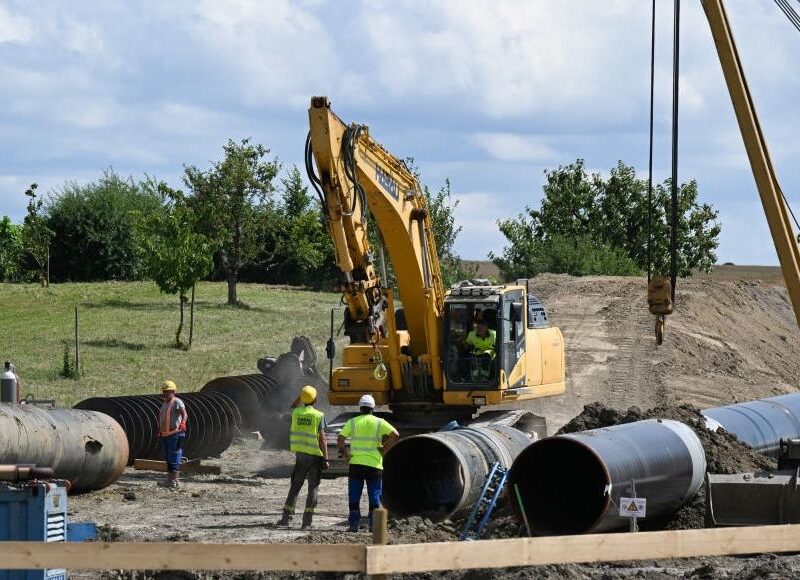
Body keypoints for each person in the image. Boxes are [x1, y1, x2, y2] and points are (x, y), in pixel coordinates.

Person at [337, 394, 399, 532]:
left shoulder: (352, 422)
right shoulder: (379, 422)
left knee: (354, 496)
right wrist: (385, 449)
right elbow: (395, 435)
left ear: (360, 407)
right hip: (374, 465)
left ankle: (353, 525)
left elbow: (340, 438)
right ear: (373, 408)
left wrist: (346, 454)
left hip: (356, 464)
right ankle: (374, 526)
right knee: (374, 496)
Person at [277, 385, 329, 530]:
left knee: (295, 486)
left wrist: (300, 397)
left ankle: (286, 519)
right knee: (313, 488)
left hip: (301, 456)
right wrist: (326, 458)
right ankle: (306, 523)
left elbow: (291, 407)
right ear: (316, 400)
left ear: (303, 399)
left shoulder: (296, 413)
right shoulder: (319, 415)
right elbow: (322, 439)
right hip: (315, 457)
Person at [157, 380, 187, 488]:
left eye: (168, 391)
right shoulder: (165, 403)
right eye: (164, 391)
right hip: (166, 435)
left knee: (174, 457)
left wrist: (183, 423)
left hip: (176, 434)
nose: (165, 393)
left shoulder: (177, 402)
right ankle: (171, 481)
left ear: (173, 391)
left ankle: (174, 481)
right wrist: (160, 431)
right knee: (169, 458)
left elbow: (184, 414)